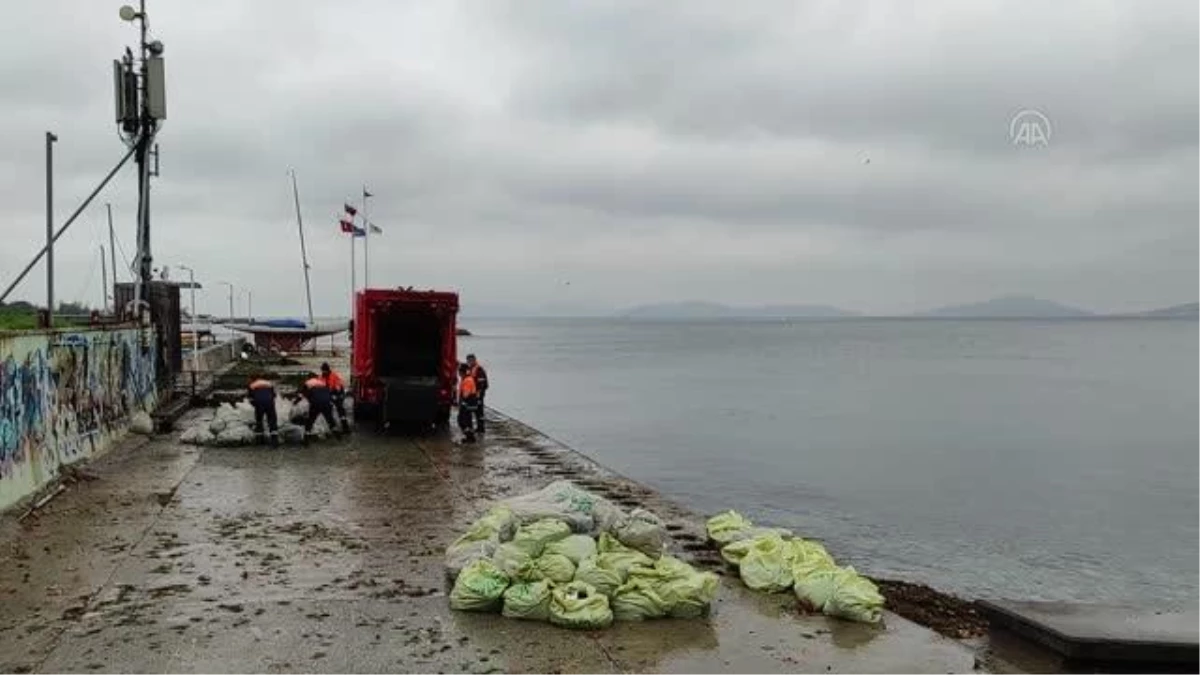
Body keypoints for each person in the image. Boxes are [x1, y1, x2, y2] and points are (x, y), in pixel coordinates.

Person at [299, 372, 341, 440]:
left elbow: (302, 394)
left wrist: (295, 402)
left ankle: (305, 440)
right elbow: (329, 393)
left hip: (316, 403)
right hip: (327, 403)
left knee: (310, 421)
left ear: (308, 377)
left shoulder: (308, 382)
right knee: (330, 420)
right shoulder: (322, 383)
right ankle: (338, 437)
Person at [247, 374, 279, 446]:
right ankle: (274, 441)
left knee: (259, 421)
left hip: (259, 404)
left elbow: (250, 398)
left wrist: (255, 405)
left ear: (253, 379)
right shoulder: (269, 384)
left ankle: (259, 440)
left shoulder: (252, 385)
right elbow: (274, 395)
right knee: (272, 420)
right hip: (270, 403)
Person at [320, 362, 352, 433]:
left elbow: (338, 387)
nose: (323, 372)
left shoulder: (334, 376)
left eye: (324, 370)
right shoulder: (322, 377)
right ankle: (332, 427)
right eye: (323, 371)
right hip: (329, 394)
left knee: (340, 409)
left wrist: (337, 395)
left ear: (328, 370)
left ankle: (345, 428)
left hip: (337, 393)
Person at [457, 363, 480, 443]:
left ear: (462, 372)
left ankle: (470, 437)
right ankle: (470, 437)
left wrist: (461, 402)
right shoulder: (468, 379)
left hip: (467, 404)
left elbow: (466, 394)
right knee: (468, 420)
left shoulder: (467, 380)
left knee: (462, 420)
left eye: (459, 372)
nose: (458, 374)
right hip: (470, 404)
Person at [465, 354, 489, 433]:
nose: (469, 362)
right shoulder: (470, 368)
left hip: (478, 394)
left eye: (470, 360)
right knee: (474, 411)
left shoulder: (479, 370)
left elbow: (482, 384)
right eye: (468, 361)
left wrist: (479, 394)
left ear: (474, 360)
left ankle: (481, 428)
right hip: (473, 394)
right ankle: (478, 427)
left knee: (479, 411)